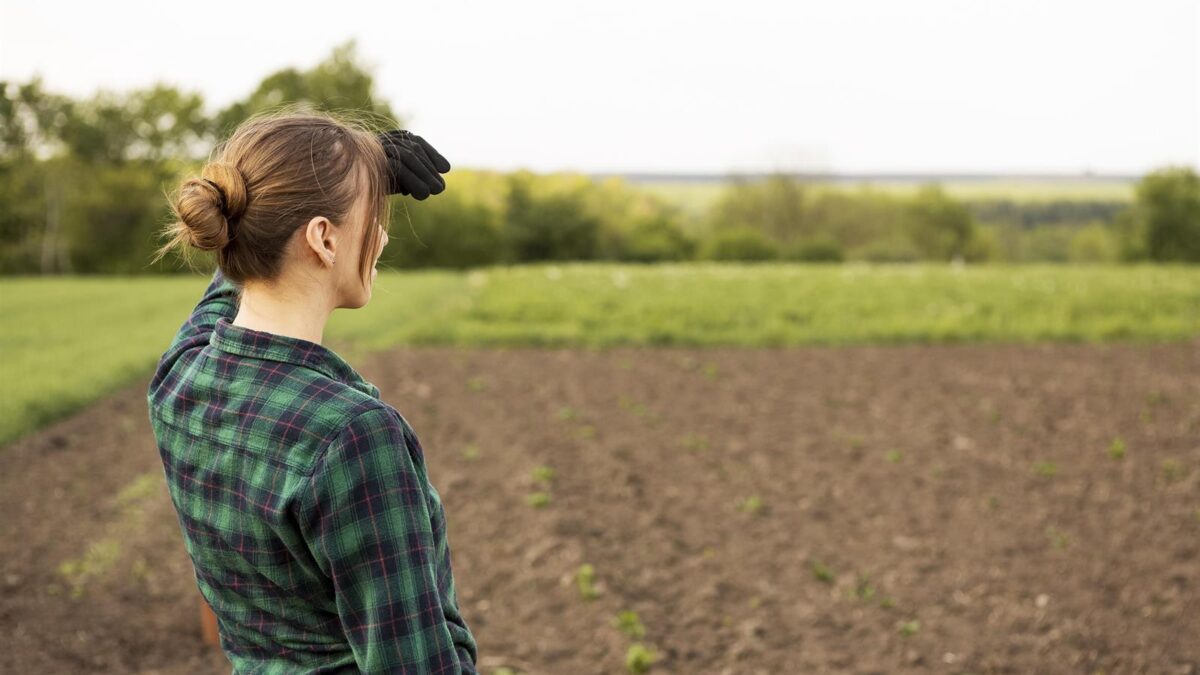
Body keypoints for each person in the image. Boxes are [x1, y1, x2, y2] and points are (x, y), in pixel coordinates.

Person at [144, 108, 478, 674]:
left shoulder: (181, 378)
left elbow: (229, 282)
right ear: (323, 238)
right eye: (373, 216)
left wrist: (358, 165)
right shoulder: (352, 435)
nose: (382, 234)